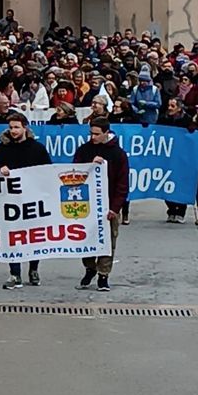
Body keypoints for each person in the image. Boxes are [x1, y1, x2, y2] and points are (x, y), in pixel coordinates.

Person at [0, 115, 52, 289]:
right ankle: (15, 273)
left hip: (32, 199)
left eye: (16, 127)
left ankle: (33, 270)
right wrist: (0, 170)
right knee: (12, 237)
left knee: (33, 236)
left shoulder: (37, 149)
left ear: (25, 128)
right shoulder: (2, 149)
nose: (13, 131)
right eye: (11, 127)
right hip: (10, 200)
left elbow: (47, 171)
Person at [74, 118, 129, 291]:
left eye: (97, 134)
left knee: (108, 241)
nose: (93, 137)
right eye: (91, 133)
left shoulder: (118, 154)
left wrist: (115, 207)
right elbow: (75, 170)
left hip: (109, 204)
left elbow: (122, 184)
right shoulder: (84, 150)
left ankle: (103, 275)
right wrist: (89, 164)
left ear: (106, 133)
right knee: (86, 240)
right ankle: (90, 268)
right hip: (87, 205)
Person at [158, 98, 191, 223]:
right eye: (169, 105)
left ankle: (181, 211)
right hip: (166, 156)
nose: (170, 108)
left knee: (180, 183)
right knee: (166, 183)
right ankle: (171, 210)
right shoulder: (163, 118)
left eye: (172, 105)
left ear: (179, 108)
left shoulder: (187, 120)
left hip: (181, 157)